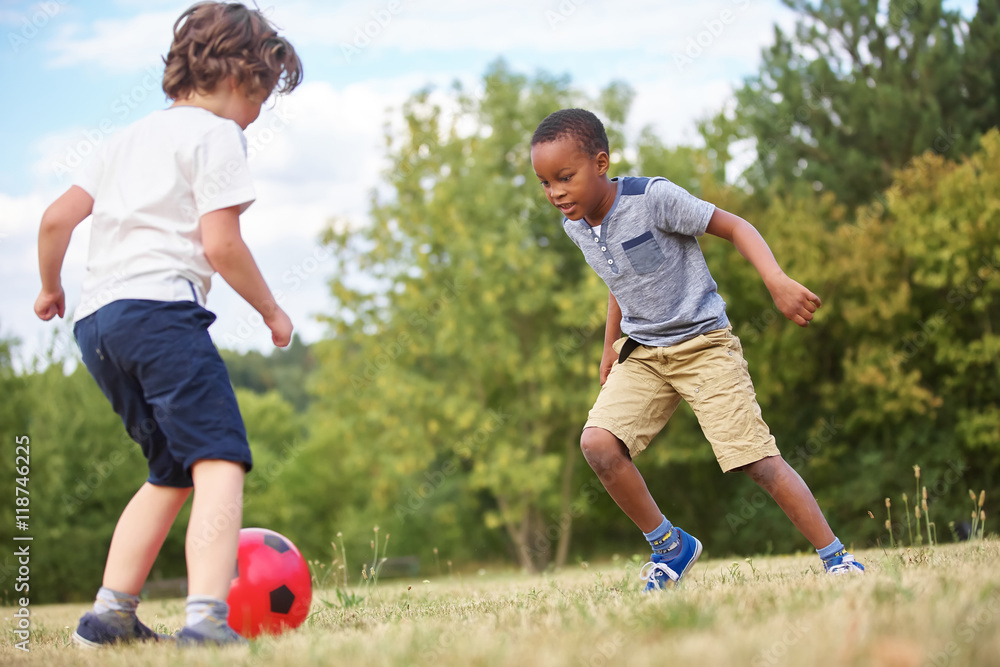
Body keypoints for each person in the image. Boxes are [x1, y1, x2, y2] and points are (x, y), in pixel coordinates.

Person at [33, 2, 302, 646]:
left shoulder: (123, 139)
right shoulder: (217, 136)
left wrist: (50, 287)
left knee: (171, 469)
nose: (260, 111)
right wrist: (271, 308)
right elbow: (221, 244)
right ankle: (207, 622)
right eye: (263, 93)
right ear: (241, 75)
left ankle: (108, 617)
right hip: (160, 315)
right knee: (220, 460)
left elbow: (54, 220)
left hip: (98, 325)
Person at [529, 108, 864, 591]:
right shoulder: (576, 225)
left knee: (755, 459)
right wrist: (610, 347)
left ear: (601, 163)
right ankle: (671, 547)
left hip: (703, 344)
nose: (555, 193)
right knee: (598, 445)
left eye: (565, 177)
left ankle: (837, 558)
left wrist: (776, 280)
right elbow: (619, 281)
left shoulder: (654, 200)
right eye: (544, 183)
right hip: (643, 351)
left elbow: (735, 225)